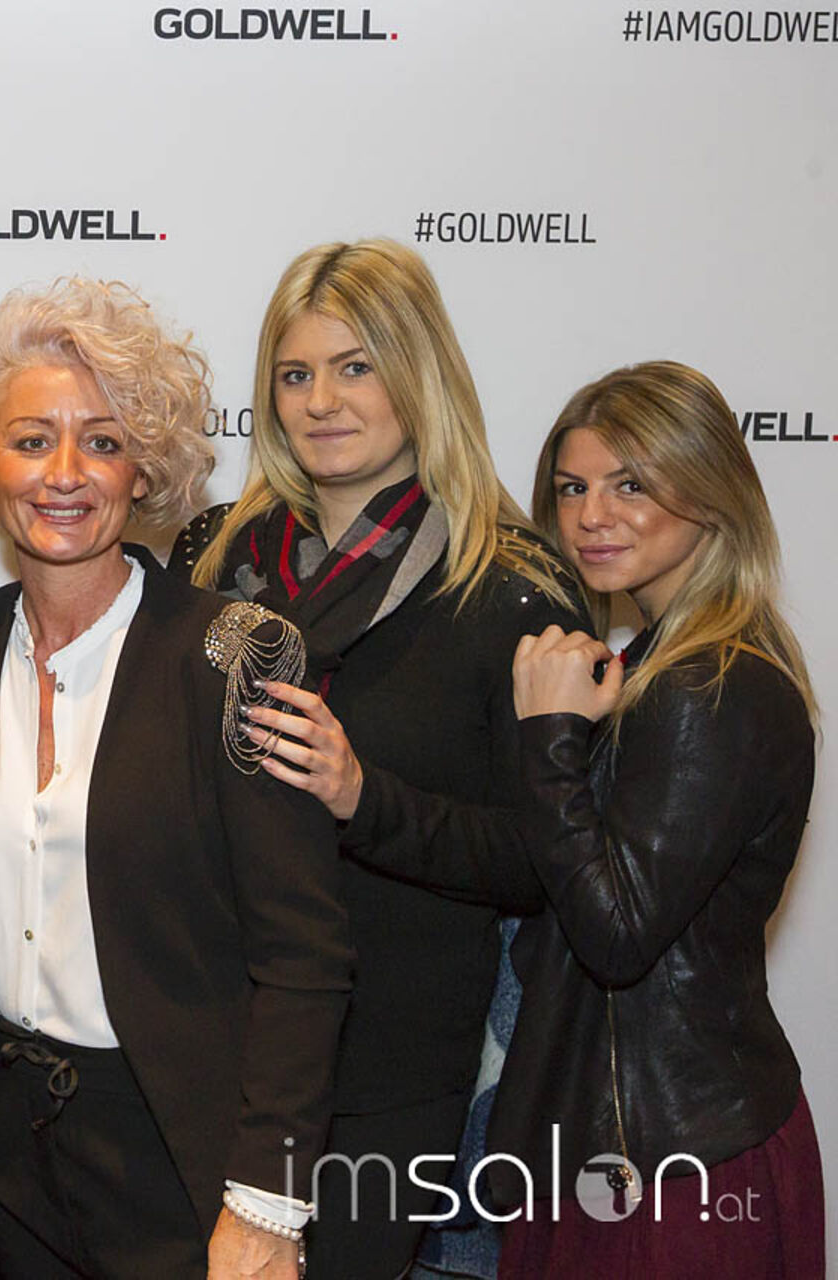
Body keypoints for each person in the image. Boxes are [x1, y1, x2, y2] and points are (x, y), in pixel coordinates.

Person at [173, 238, 585, 1278]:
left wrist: (365, 798)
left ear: (418, 371)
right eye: (295, 373)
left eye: (355, 367)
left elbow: (544, 862)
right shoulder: (215, 556)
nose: (322, 401)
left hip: (388, 1073)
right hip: (205, 1045)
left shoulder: (513, 588)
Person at [0, 278, 352, 1279]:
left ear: (145, 468)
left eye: (103, 441)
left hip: (181, 1150)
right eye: (31, 439)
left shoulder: (233, 656)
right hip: (4, 1154)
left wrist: (267, 1201)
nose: (64, 473)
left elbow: (304, 956)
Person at [481, 361, 822, 1275]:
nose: (592, 515)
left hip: (667, 1163)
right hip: (641, 1135)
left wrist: (549, 737)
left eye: (630, 485)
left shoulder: (710, 684)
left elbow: (617, 934)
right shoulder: (658, 667)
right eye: (572, 488)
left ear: (709, 492)